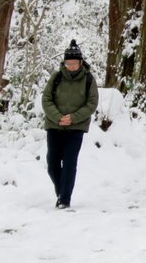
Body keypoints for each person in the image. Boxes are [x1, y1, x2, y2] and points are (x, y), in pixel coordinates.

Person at [41, 39, 99, 209]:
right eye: (68, 63)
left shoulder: (88, 80)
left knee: (69, 163)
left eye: (74, 63)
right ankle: (61, 191)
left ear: (80, 63)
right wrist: (58, 117)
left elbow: (92, 103)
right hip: (54, 125)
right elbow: (46, 99)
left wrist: (72, 118)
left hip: (76, 127)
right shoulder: (56, 77)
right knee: (52, 163)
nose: (71, 66)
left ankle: (64, 200)